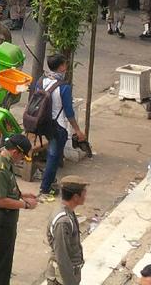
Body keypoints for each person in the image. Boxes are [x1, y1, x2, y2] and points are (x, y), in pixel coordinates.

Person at [0, 134, 37, 285]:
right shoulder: (0, 168)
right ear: (16, 152)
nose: (21, 160)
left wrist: (22, 195)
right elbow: (1, 200)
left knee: (5, 260)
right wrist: (25, 205)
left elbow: (7, 187)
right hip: (1, 219)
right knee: (0, 263)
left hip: (5, 219)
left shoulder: (3, 159)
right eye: (22, 157)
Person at [37, 55, 86, 199]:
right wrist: (77, 130)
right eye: (65, 64)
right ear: (61, 67)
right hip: (58, 125)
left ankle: (50, 182)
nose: (66, 67)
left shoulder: (41, 81)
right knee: (53, 156)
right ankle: (45, 188)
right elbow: (69, 112)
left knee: (52, 154)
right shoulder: (64, 87)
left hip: (43, 123)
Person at [44, 176, 87, 285]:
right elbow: (62, 257)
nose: (86, 196)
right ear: (76, 197)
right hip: (62, 279)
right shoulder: (63, 222)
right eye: (84, 193)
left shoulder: (68, 212)